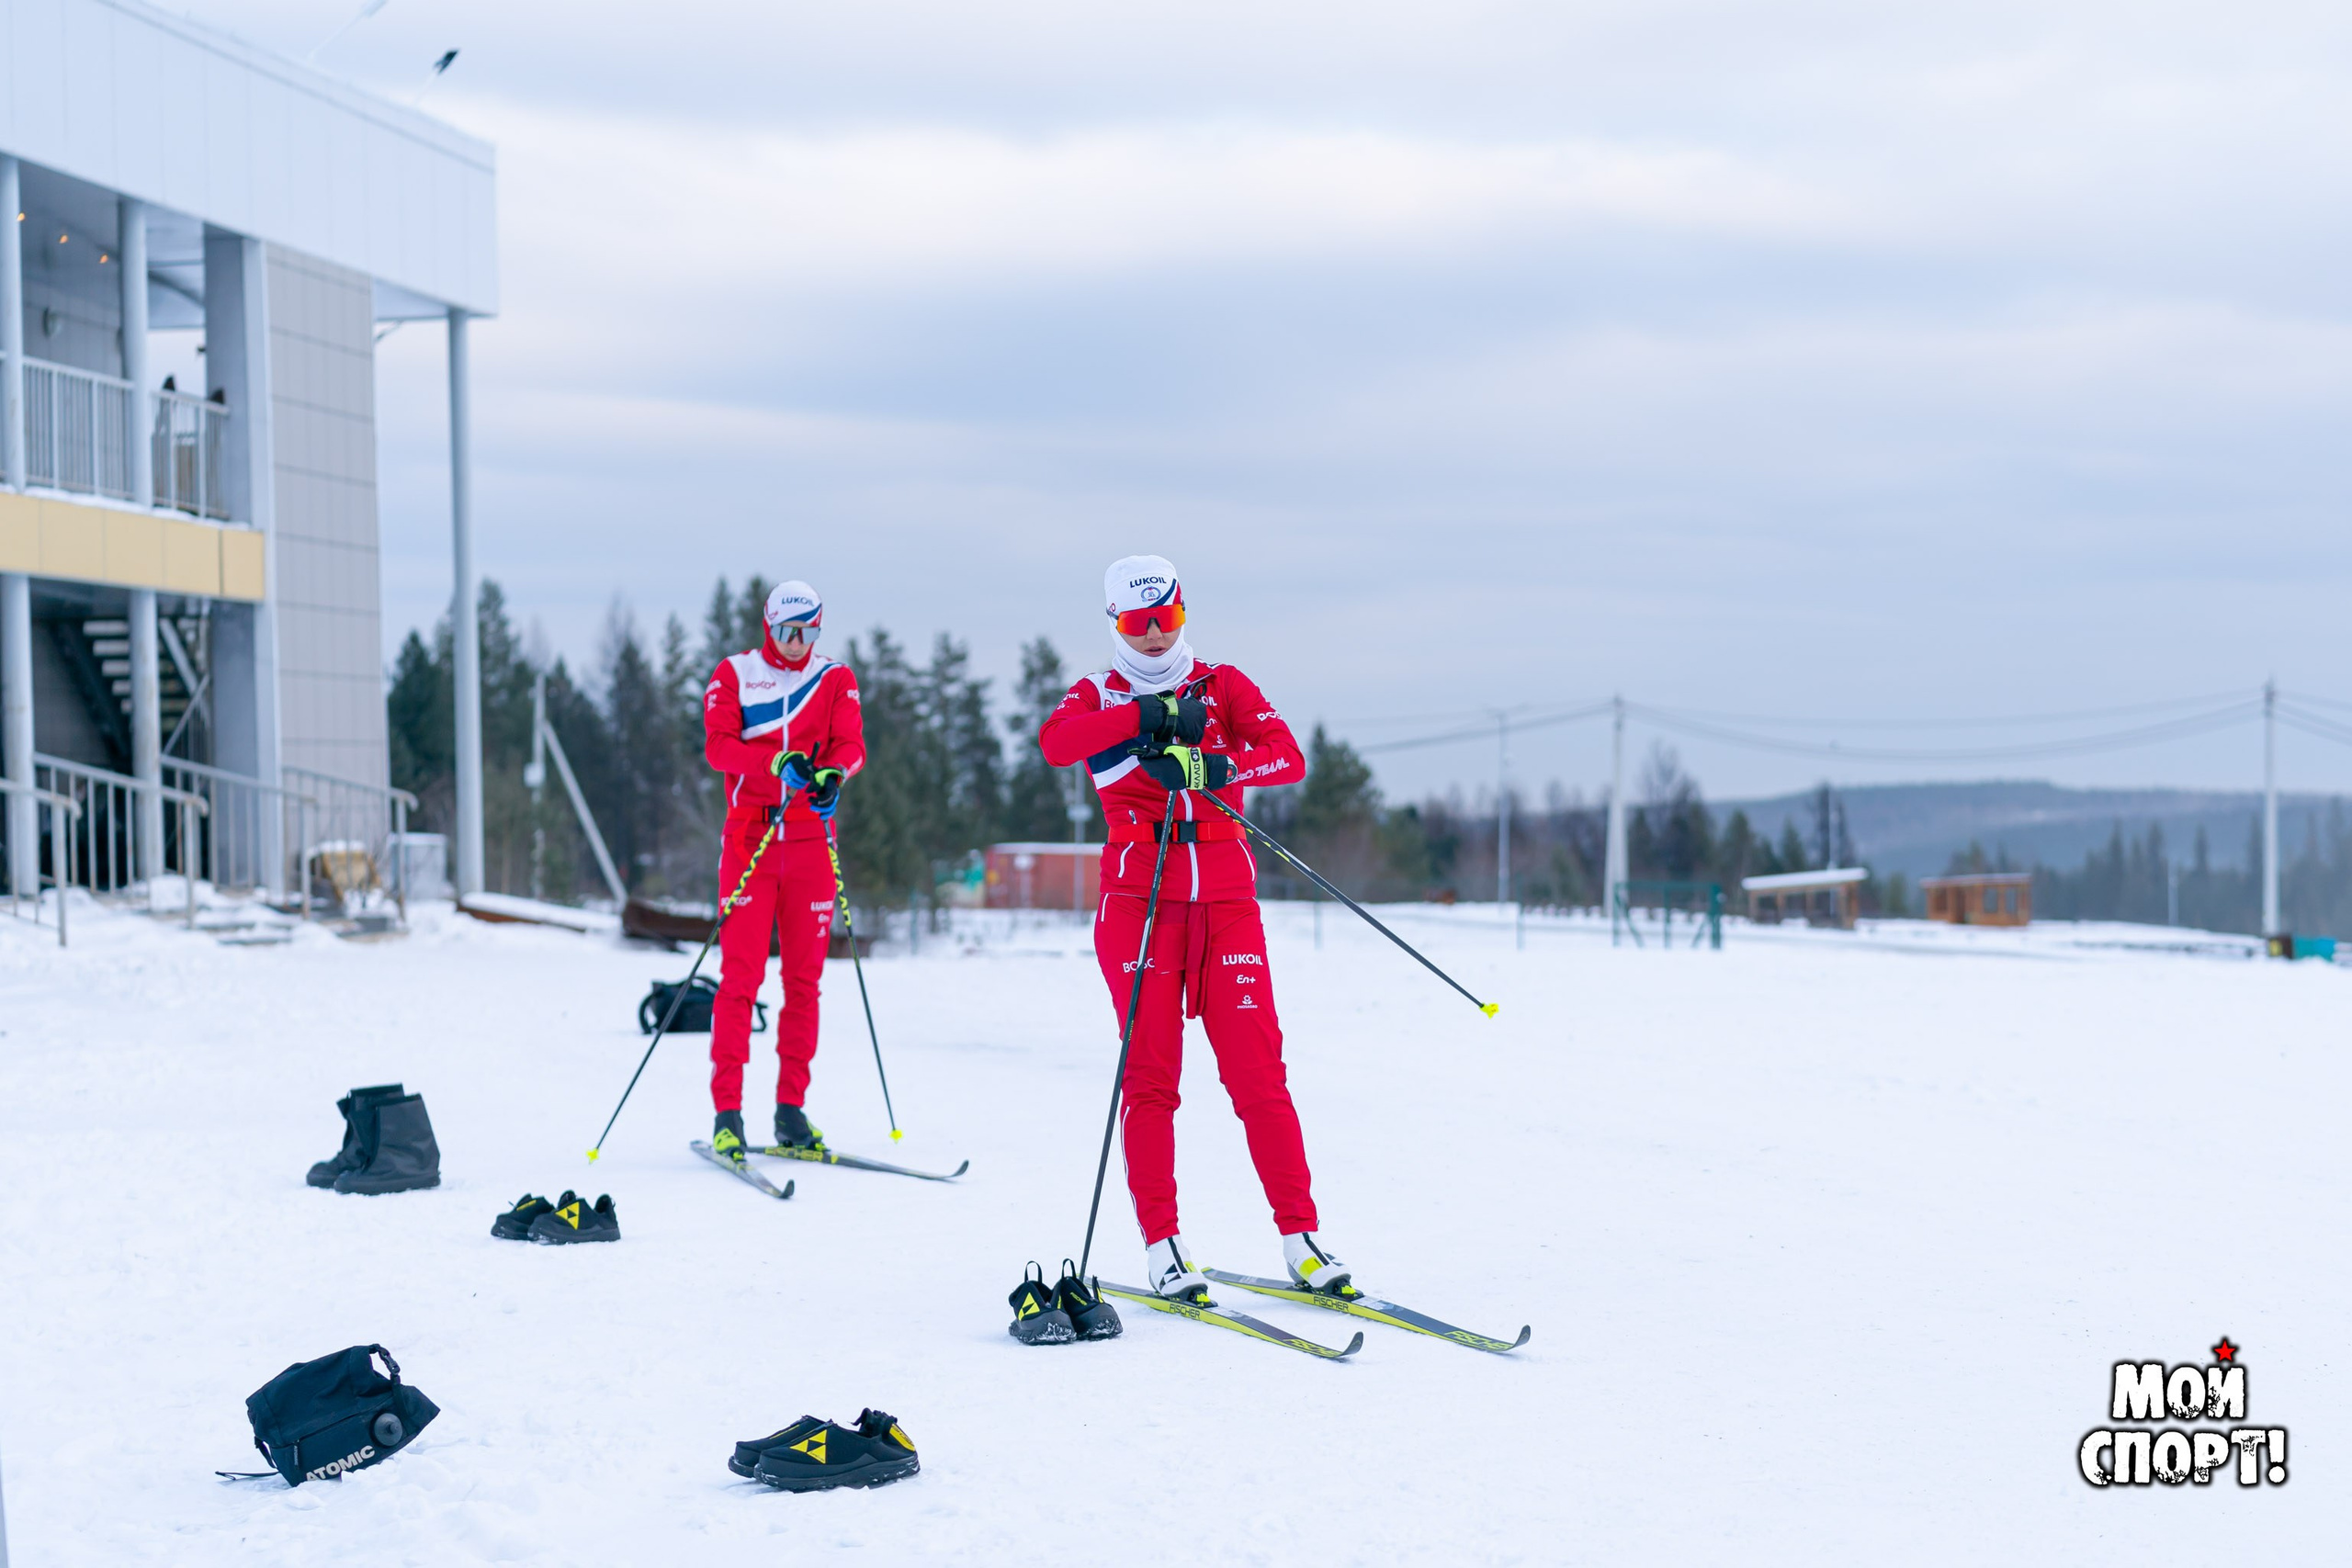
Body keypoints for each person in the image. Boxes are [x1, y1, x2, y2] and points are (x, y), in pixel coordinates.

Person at [1038, 554, 1353, 1302]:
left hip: (1227, 902)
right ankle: (1163, 1245)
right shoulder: (1096, 694)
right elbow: (1057, 743)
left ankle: (1302, 1238)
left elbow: (1287, 757)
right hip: (1140, 900)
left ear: (1184, 612)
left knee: (1258, 1073)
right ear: (1114, 622)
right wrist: (1145, 718)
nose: (1153, 636)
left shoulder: (1223, 685)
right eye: (1137, 622)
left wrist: (1214, 765)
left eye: (1167, 618)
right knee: (1152, 1079)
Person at [700, 581, 864, 1164]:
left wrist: (833, 777)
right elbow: (719, 747)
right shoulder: (736, 673)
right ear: (768, 626)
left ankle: (791, 1110)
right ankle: (727, 1114)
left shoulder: (835, 677)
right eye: (788, 632)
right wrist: (775, 761)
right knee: (741, 980)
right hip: (752, 838)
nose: (798, 644)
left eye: (810, 632)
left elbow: (852, 745)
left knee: (804, 983)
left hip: (812, 842)